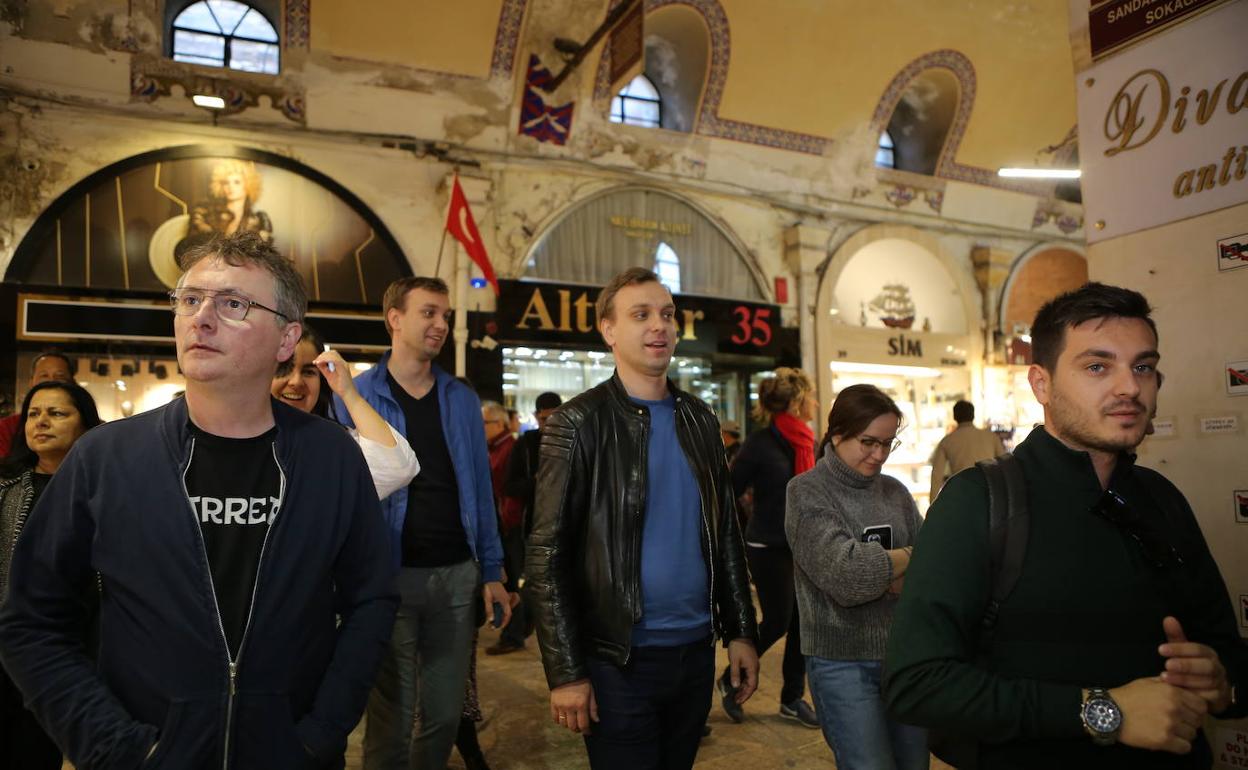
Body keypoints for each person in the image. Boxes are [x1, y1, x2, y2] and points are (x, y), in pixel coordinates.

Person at [0, 231, 399, 768]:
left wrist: (319, 732)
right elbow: (30, 619)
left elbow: (371, 600)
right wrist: (115, 745)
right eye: (189, 300)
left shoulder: (332, 459)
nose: (201, 318)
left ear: (287, 341)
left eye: (233, 303)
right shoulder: (105, 459)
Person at [884, 282, 1248, 769]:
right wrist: (1105, 711)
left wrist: (1221, 685)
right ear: (1041, 384)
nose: (1130, 387)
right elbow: (916, 683)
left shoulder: (1162, 500)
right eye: (1098, 366)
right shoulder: (979, 500)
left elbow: (1225, 651)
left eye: (1143, 366)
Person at [526, 267, 759, 769]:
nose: (660, 326)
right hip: (618, 659)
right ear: (609, 330)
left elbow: (725, 537)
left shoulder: (700, 419)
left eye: (667, 315)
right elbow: (547, 555)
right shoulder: (577, 424)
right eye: (641, 315)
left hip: (696, 651)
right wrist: (566, 672)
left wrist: (741, 631)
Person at [340, 275, 509, 770]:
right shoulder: (356, 394)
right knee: (391, 717)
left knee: (443, 713)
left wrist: (494, 571)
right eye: (429, 313)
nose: (441, 324)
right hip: (387, 576)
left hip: (456, 575)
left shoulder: (459, 397)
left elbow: (480, 486)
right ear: (395, 319)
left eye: (445, 315)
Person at [785, 383, 926, 769]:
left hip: (902, 658)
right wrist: (908, 557)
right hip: (840, 661)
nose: (878, 454)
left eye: (887, 443)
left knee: (915, 763)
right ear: (837, 433)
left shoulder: (895, 492)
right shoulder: (806, 491)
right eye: (868, 442)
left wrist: (882, 568)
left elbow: (934, 570)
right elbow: (847, 578)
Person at [0, 381, 102, 770]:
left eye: (57, 413)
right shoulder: (6, 488)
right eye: (33, 414)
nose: (41, 422)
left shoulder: (105, 489)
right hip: (12, 645)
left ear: (84, 424)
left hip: (84, 647)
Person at [718, 368, 819, 728]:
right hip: (767, 543)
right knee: (778, 619)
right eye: (810, 397)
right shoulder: (760, 443)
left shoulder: (806, 441)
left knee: (803, 622)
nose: (815, 403)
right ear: (796, 402)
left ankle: (792, 698)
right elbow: (728, 487)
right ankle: (732, 678)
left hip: (800, 543)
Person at [271, 324, 419, 499]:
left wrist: (349, 394)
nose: (296, 381)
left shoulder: (332, 444)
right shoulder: (238, 437)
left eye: (308, 372)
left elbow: (398, 468)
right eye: (283, 369)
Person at [489, 391, 562, 656]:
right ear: (536, 417)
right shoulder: (527, 444)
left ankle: (522, 628)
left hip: (566, 529)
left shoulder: (573, 440)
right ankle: (516, 631)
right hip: (532, 527)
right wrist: (540, 482)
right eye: (544, 420)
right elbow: (511, 485)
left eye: (554, 419)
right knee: (529, 582)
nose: (549, 425)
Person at [0, 350, 74, 458]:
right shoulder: (7, 427)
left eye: (60, 376)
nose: (51, 381)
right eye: (44, 375)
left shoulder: (93, 429)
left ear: (73, 382)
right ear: (31, 382)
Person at [928, 399, 1005, 501]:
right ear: (973, 415)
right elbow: (1004, 466)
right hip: (989, 494)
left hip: (961, 495)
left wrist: (932, 506)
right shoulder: (990, 437)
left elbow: (936, 476)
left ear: (955, 417)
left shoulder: (947, 441)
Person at [190, 158, 273, 242]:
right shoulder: (205, 213)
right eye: (226, 183)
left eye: (237, 182)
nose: (230, 187)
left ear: (249, 185)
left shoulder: (259, 220)